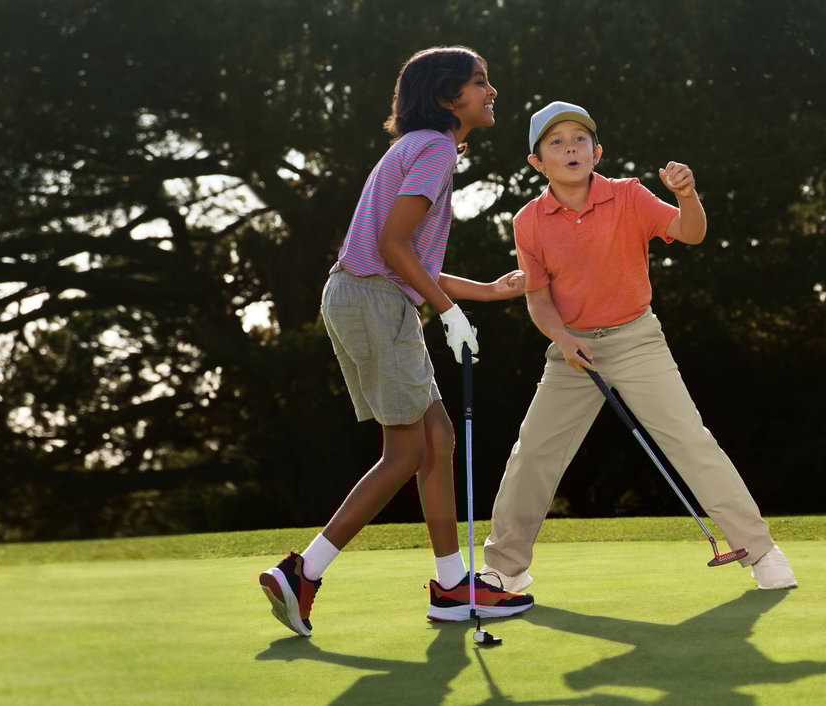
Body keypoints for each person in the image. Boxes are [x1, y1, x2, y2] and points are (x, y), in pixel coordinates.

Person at [257, 46, 533, 637]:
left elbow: (407, 254)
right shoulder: (433, 148)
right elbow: (392, 246)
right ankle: (303, 571)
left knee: (435, 440)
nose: (491, 91)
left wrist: (480, 293)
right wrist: (450, 311)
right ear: (445, 97)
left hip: (364, 299)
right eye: (479, 82)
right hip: (374, 302)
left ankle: (451, 586)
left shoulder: (418, 149)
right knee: (407, 452)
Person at [480, 101, 797, 594]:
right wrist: (563, 340)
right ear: (537, 162)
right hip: (572, 352)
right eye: (556, 142)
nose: (570, 147)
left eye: (580, 139)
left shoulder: (629, 195)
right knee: (533, 453)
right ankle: (506, 567)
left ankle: (760, 551)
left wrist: (687, 195)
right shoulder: (529, 221)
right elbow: (538, 300)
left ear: (597, 152)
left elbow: (690, 233)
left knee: (690, 440)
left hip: (637, 340)